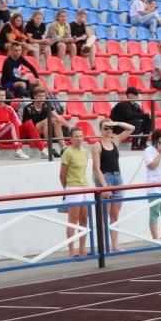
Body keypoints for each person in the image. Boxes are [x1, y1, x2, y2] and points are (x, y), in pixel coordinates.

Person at [93, 117, 135, 251]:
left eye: (110, 128)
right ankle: (104, 246)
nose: (109, 130)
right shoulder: (97, 145)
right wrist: (104, 186)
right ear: (100, 129)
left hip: (118, 178)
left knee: (115, 215)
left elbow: (131, 128)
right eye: (106, 128)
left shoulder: (115, 141)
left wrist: (116, 123)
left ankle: (115, 245)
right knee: (104, 214)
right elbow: (96, 168)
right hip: (105, 178)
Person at [60, 127, 91, 257]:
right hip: (73, 188)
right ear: (71, 139)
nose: (79, 138)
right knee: (72, 220)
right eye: (76, 136)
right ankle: (71, 251)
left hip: (85, 187)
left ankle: (82, 249)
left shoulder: (85, 152)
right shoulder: (68, 153)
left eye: (81, 136)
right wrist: (67, 189)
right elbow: (62, 174)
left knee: (84, 220)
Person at [21, 87, 70, 158]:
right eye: (39, 96)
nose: (42, 98)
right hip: (32, 133)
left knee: (55, 121)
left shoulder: (46, 105)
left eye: (43, 96)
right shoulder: (28, 108)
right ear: (34, 96)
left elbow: (58, 117)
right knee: (47, 121)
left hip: (45, 129)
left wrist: (70, 128)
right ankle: (49, 148)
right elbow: (29, 127)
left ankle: (63, 148)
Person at [0, 87, 30, 159]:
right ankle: (18, 150)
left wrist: (6, 125)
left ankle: (43, 150)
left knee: (28, 124)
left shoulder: (9, 108)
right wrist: (6, 125)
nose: (2, 98)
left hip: (9, 132)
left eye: (3, 95)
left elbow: (18, 122)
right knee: (12, 124)